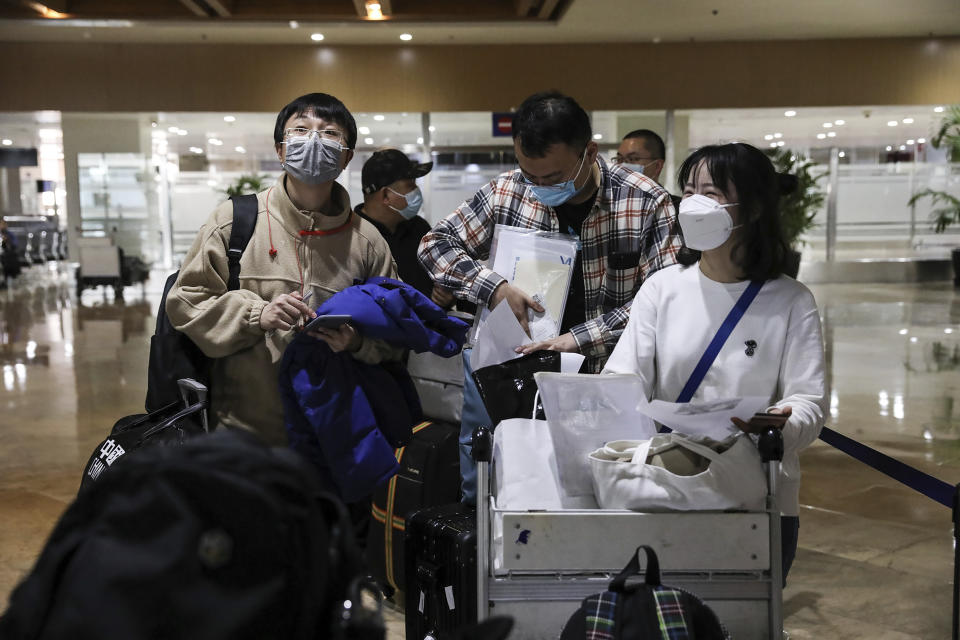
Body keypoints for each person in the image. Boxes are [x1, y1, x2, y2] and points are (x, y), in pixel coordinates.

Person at [418, 90, 681, 501]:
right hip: (512, 375)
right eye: (531, 175)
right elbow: (435, 245)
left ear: (590, 152)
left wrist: (578, 338)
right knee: (501, 494)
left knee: (599, 496)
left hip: (603, 380)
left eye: (555, 177)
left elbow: (663, 298)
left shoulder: (644, 202)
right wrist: (494, 287)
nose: (540, 187)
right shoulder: (507, 192)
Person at [603, 142, 827, 582]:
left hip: (757, 495)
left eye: (712, 192)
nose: (694, 204)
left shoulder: (791, 301)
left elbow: (809, 401)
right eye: (688, 191)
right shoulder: (661, 288)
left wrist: (785, 423)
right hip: (670, 485)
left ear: (755, 208)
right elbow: (622, 379)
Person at [166, 93, 400, 446]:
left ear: (347, 157)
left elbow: (396, 332)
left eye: (330, 132)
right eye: (301, 130)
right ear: (280, 150)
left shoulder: (368, 242)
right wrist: (256, 314)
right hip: (243, 436)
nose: (315, 139)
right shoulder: (233, 221)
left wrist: (357, 343)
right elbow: (186, 302)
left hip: (335, 440)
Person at [355, 148, 453, 307]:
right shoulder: (354, 236)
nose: (417, 191)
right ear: (386, 195)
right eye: (410, 185)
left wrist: (445, 296)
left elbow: (441, 279)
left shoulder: (420, 228)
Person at [613, 129, 681, 211]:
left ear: (657, 166)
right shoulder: (610, 206)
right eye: (619, 159)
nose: (622, 166)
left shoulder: (676, 209)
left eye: (632, 158)